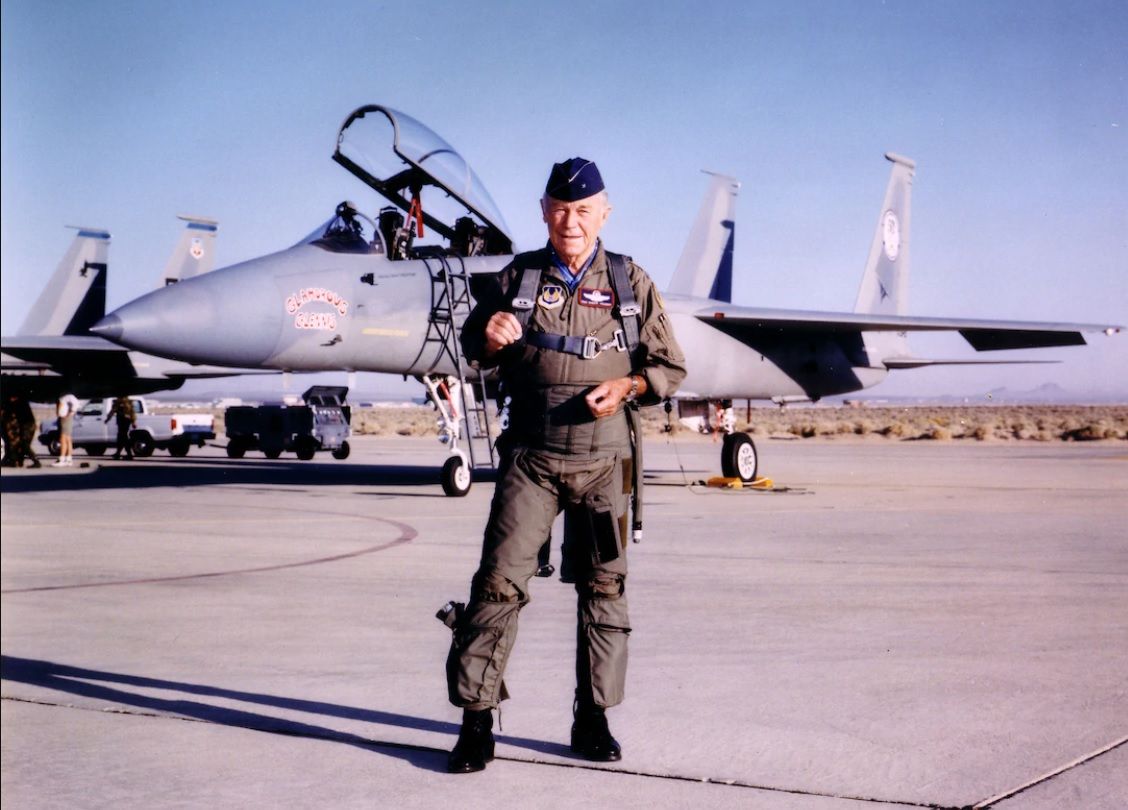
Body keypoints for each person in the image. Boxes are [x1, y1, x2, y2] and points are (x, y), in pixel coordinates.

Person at [443, 157, 686, 773]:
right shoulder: (518, 278)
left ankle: (593, 717)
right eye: (560, 210)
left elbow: (669, 366)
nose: (570, 222)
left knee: (604, 589)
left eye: (583, 211)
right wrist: (488, 335)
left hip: (606, 463)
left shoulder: (631, 281)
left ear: (604, 212)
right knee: (498, 584)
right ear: (544, 211)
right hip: (532, 458)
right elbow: (472, 347)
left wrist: (629, 386)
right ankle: (477, 724)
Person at [54, 392, 81, 466]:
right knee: (67, 438)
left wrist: (70, 413)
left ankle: (62, 459)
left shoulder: (68, 396)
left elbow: (76, 404)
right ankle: (68, 459)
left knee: (63, 438)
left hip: (66, 418)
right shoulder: (63, 396)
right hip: (63, 418)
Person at [106, 395, 136, 459]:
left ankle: (128, 454)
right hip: (126, 422)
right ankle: (119, 453)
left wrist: (107, 419)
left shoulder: (118, 403)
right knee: (122, 437)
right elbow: (132, 413)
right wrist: (133, 422)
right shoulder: (129, 402)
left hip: (122, 422)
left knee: (123, 437)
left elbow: (112, 411)